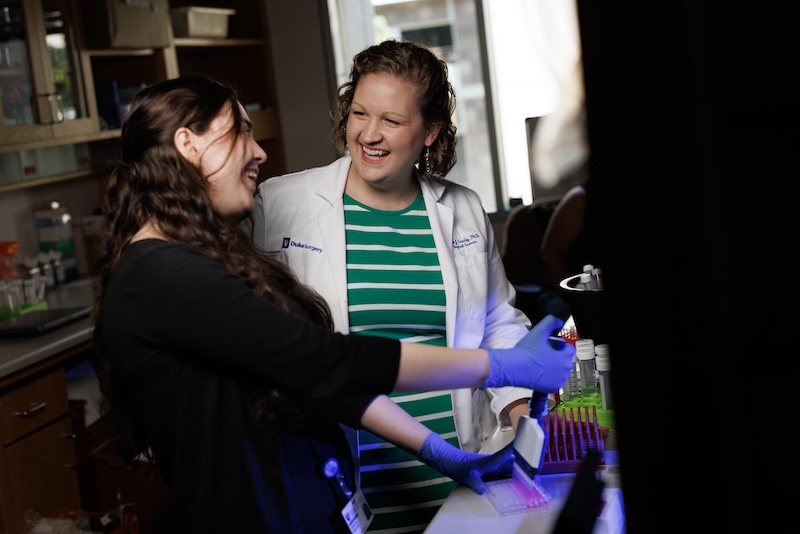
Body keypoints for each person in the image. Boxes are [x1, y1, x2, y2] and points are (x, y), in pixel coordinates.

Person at [90, 75, 575, 534]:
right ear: (187, 144)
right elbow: (326, 360)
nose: (259, 152)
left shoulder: (193, 262)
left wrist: (442, 454)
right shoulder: (161, 274)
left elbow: (313, 380)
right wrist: (498, 365)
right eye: (241, 131)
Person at [248, 40, 547, 533]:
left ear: (430, 132)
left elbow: (498, 322)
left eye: (391, 120)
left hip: (461, 477)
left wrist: (521, 418)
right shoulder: (280, 204)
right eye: (360, 113)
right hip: (348, 483)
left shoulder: (463, 208)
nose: (369, 134)